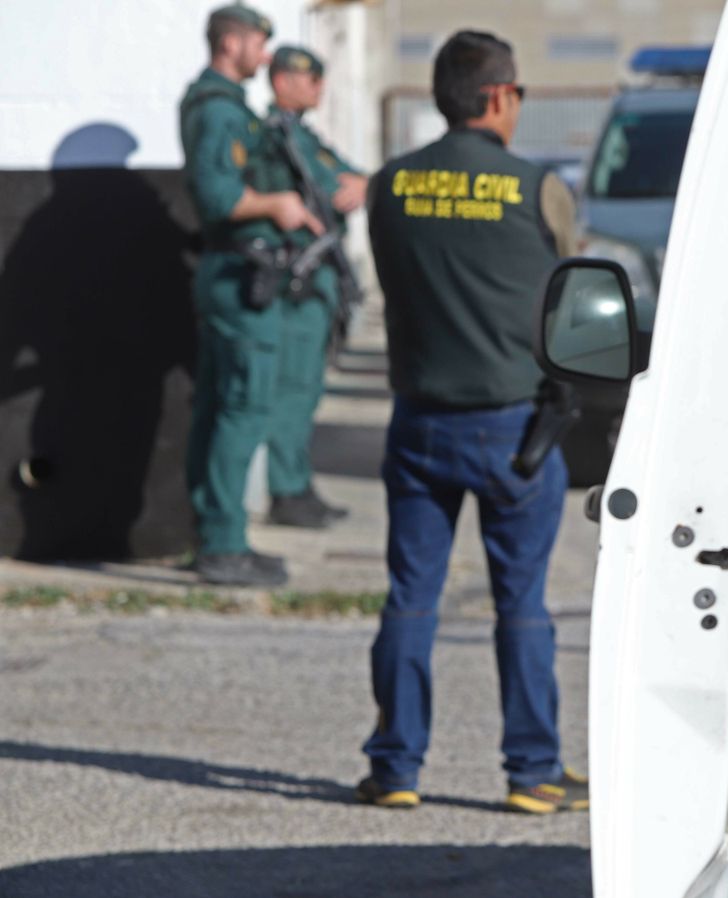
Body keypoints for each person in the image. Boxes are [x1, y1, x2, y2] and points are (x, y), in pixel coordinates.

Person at [358, 30, 584, 814]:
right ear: (498, 97)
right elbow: (569, 298)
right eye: (517, 94)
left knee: (410, 600)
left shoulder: (389, 185)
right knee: (520, 604)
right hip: (516, 431)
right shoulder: (536, 188)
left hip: (418, 423)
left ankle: (396, 769)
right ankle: (532, 773)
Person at [179, 4, 323, 586]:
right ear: (230, 42)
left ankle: (216, 533)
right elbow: (217, 198)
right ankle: (224, 544)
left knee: (219, 407)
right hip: (241, 278)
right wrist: (276, 206)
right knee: (242, 408)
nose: (265, 58)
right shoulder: (217, 111)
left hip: (233, 275)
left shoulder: (224, 105)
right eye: (259, 45)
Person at [263, 45, 364, 529]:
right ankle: (287, 489)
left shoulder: (305, 135)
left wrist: (362, 185)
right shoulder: (277, 134)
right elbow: (329, 187)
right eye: (310, 79)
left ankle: (297, 481)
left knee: (308, 386)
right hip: (295, 280)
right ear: (283, 81)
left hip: (319, 277)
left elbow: (353, 178)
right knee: (294, 387)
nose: (319, 88)